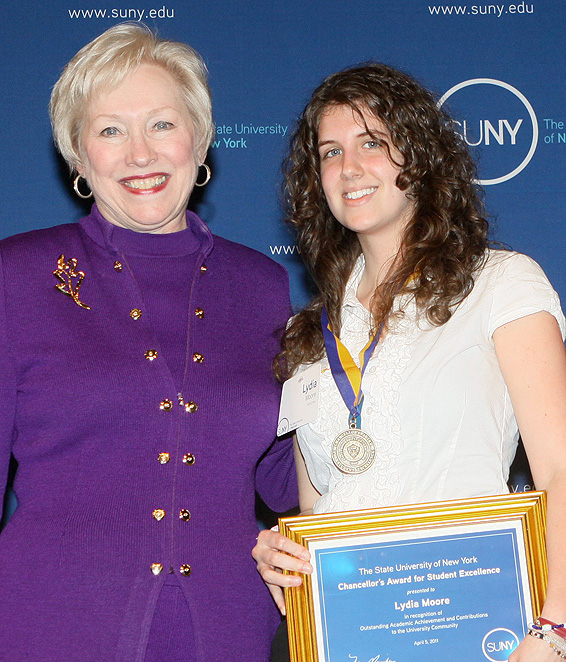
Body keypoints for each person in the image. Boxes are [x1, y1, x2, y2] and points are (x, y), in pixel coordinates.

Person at [0, 23, 297, 662]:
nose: (140, 153)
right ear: (78, 158)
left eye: (161, 124)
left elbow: (289, 477)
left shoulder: (262, 285)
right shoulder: (15, 277)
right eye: (110, 130)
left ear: (200, 137)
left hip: (226, 632)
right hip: (47, 629)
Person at [253, 63, 566, 662]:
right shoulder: (308, 338)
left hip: (483, 635)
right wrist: (287, 565)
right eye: (330, 152)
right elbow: (318, 513)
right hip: (344, 642)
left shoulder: (501, 284)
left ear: (419, 155)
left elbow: (558, 473)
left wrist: (554, 630)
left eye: (373, 143)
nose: (349, 168)